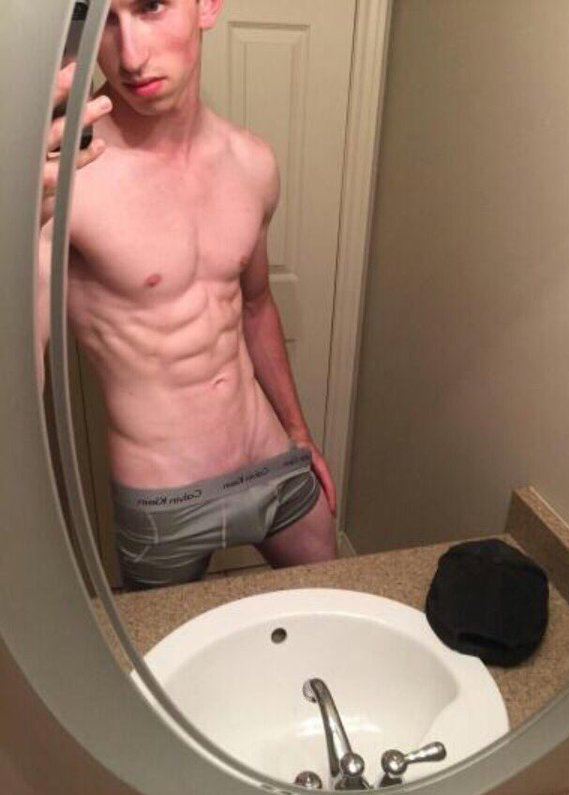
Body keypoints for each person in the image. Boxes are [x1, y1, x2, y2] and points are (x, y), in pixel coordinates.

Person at [39, 0, 337, 589]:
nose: (129, 56)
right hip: (162, 494)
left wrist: (298, 430)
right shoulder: (63, 179)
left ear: (207, 5)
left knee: (334, 607)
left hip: (269, 457)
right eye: (105, 22)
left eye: (150, 6)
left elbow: (255, 306)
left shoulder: (252, 162)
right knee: (168, 648)